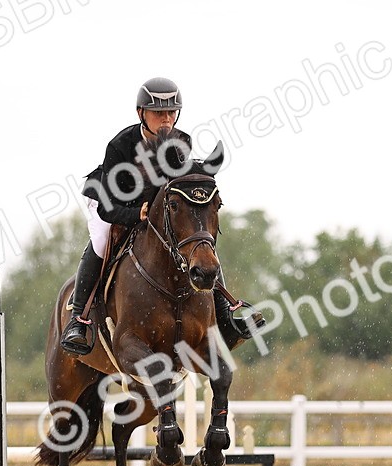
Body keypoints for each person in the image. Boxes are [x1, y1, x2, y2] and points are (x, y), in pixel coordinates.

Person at [60, 77, 260, 355]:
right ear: (141, 113)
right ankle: (78, 320)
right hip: (112, 205)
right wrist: (134, 214)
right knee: (101, 239)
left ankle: (226, 318)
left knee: (198, 244)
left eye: (171, 112)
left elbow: (178, 187)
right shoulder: (120, 146)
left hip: (155, 211)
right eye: (158, 113)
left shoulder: (181, 142)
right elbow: (108, 207)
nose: (166, 119)